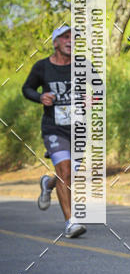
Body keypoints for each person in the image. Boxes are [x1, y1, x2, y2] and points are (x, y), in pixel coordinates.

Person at [21, 25, 86, 239]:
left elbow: (98, 89)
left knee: (68, 175)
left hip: (77, 128)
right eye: (65, 37)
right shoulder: (42, 67)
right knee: (65, 172)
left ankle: (48, 183)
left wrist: (91, 99)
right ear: (56, 42)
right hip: (53, 128)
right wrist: (40, 97)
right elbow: (27, 89)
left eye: (74, 38)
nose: (70, 41)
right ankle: (71, 222)